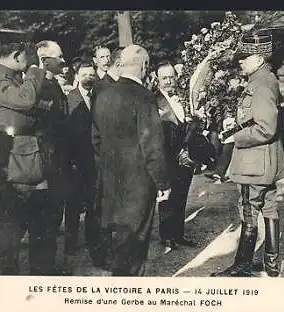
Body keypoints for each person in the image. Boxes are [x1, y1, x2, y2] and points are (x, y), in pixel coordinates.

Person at [0, 29, 57, 275]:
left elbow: (30, 106)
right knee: (13, 232)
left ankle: (41, 276)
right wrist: (35, 69)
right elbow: (26, 101)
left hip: (30, 162)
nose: (29, 61)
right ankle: (11, 286)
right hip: (14, 166)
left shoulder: (11, 77)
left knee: (41, 227)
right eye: (27, 56)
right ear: (16, 55)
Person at [211, 33, 284, 278]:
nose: (240, 62)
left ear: (257, 58)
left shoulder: (261, 84)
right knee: (269, 207)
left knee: (248, 210)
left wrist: (235, 137)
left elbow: (266, 128)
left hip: (254, 162)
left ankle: (242, 266)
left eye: (243, 58)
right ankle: (272, 264)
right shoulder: (266, 79)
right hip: (267, 160)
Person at [91, 44, 171, 276]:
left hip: (110, 179)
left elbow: (95, 139)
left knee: (119, 240)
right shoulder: (144, 97)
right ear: (145, 66)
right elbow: (153, 146)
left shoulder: (103, 94)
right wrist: (163, 183)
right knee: (135, 244)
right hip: (138, 184)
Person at [35, 40, 71, 273]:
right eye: (59, 57)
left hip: (58, 160)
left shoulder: (53, 84)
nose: (63, 60)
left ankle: (47, 265)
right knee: (43, 219)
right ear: (46, 60)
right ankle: (41, 270)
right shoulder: (37, 86)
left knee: (53, 218)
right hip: (46, 162)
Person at [154, 61, 196, 251]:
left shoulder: (183, 99)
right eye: (165, 78)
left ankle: (178, 234)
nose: (169, 81)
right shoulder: (154, 101)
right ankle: (167, 236)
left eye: (171, 77)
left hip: (185, 157)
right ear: (158, 80)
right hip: (167, 157)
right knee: (167, 198)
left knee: (182, 195)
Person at [64, 60, 97, 255]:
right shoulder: (70, 99)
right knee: (73, 206)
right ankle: (71, 245)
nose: (88, 78)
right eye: (84, 75)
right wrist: (71, 162)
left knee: (93, 204)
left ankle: (93, 243)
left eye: (92, 75)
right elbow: (66, 134)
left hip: (95, 161)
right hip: (76, 162)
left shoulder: (99, 97)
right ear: (77, 76)